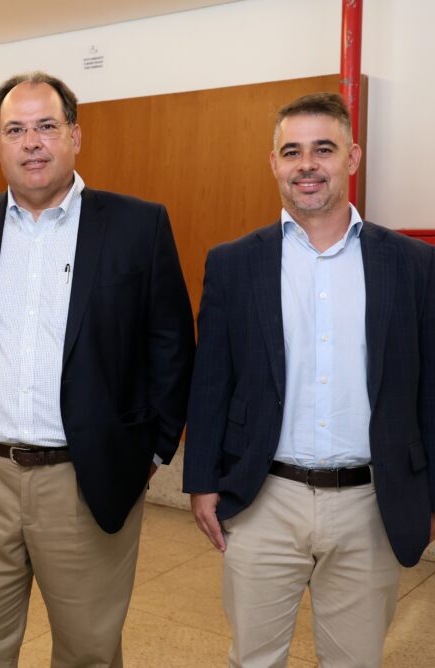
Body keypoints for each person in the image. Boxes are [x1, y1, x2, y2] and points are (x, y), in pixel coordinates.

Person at [0, 72, 195, 667]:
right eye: (15, 130)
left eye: (46, 126)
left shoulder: (137, 225)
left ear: (75, 135)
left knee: (88, 651)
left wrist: (151, 453)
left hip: (85, 481)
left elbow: (171, 345)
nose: (32, 143)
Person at [184, 92, 435, 667]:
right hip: (263, 498)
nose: (307, 165)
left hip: (371, 503)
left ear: (352, 157)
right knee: (254, 658)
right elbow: (211, 380)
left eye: (324, 149)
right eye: (292, 151)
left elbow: (429, 391)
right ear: (273, 162)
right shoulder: (233, 263)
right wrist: (200, 480)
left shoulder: (412, 265)